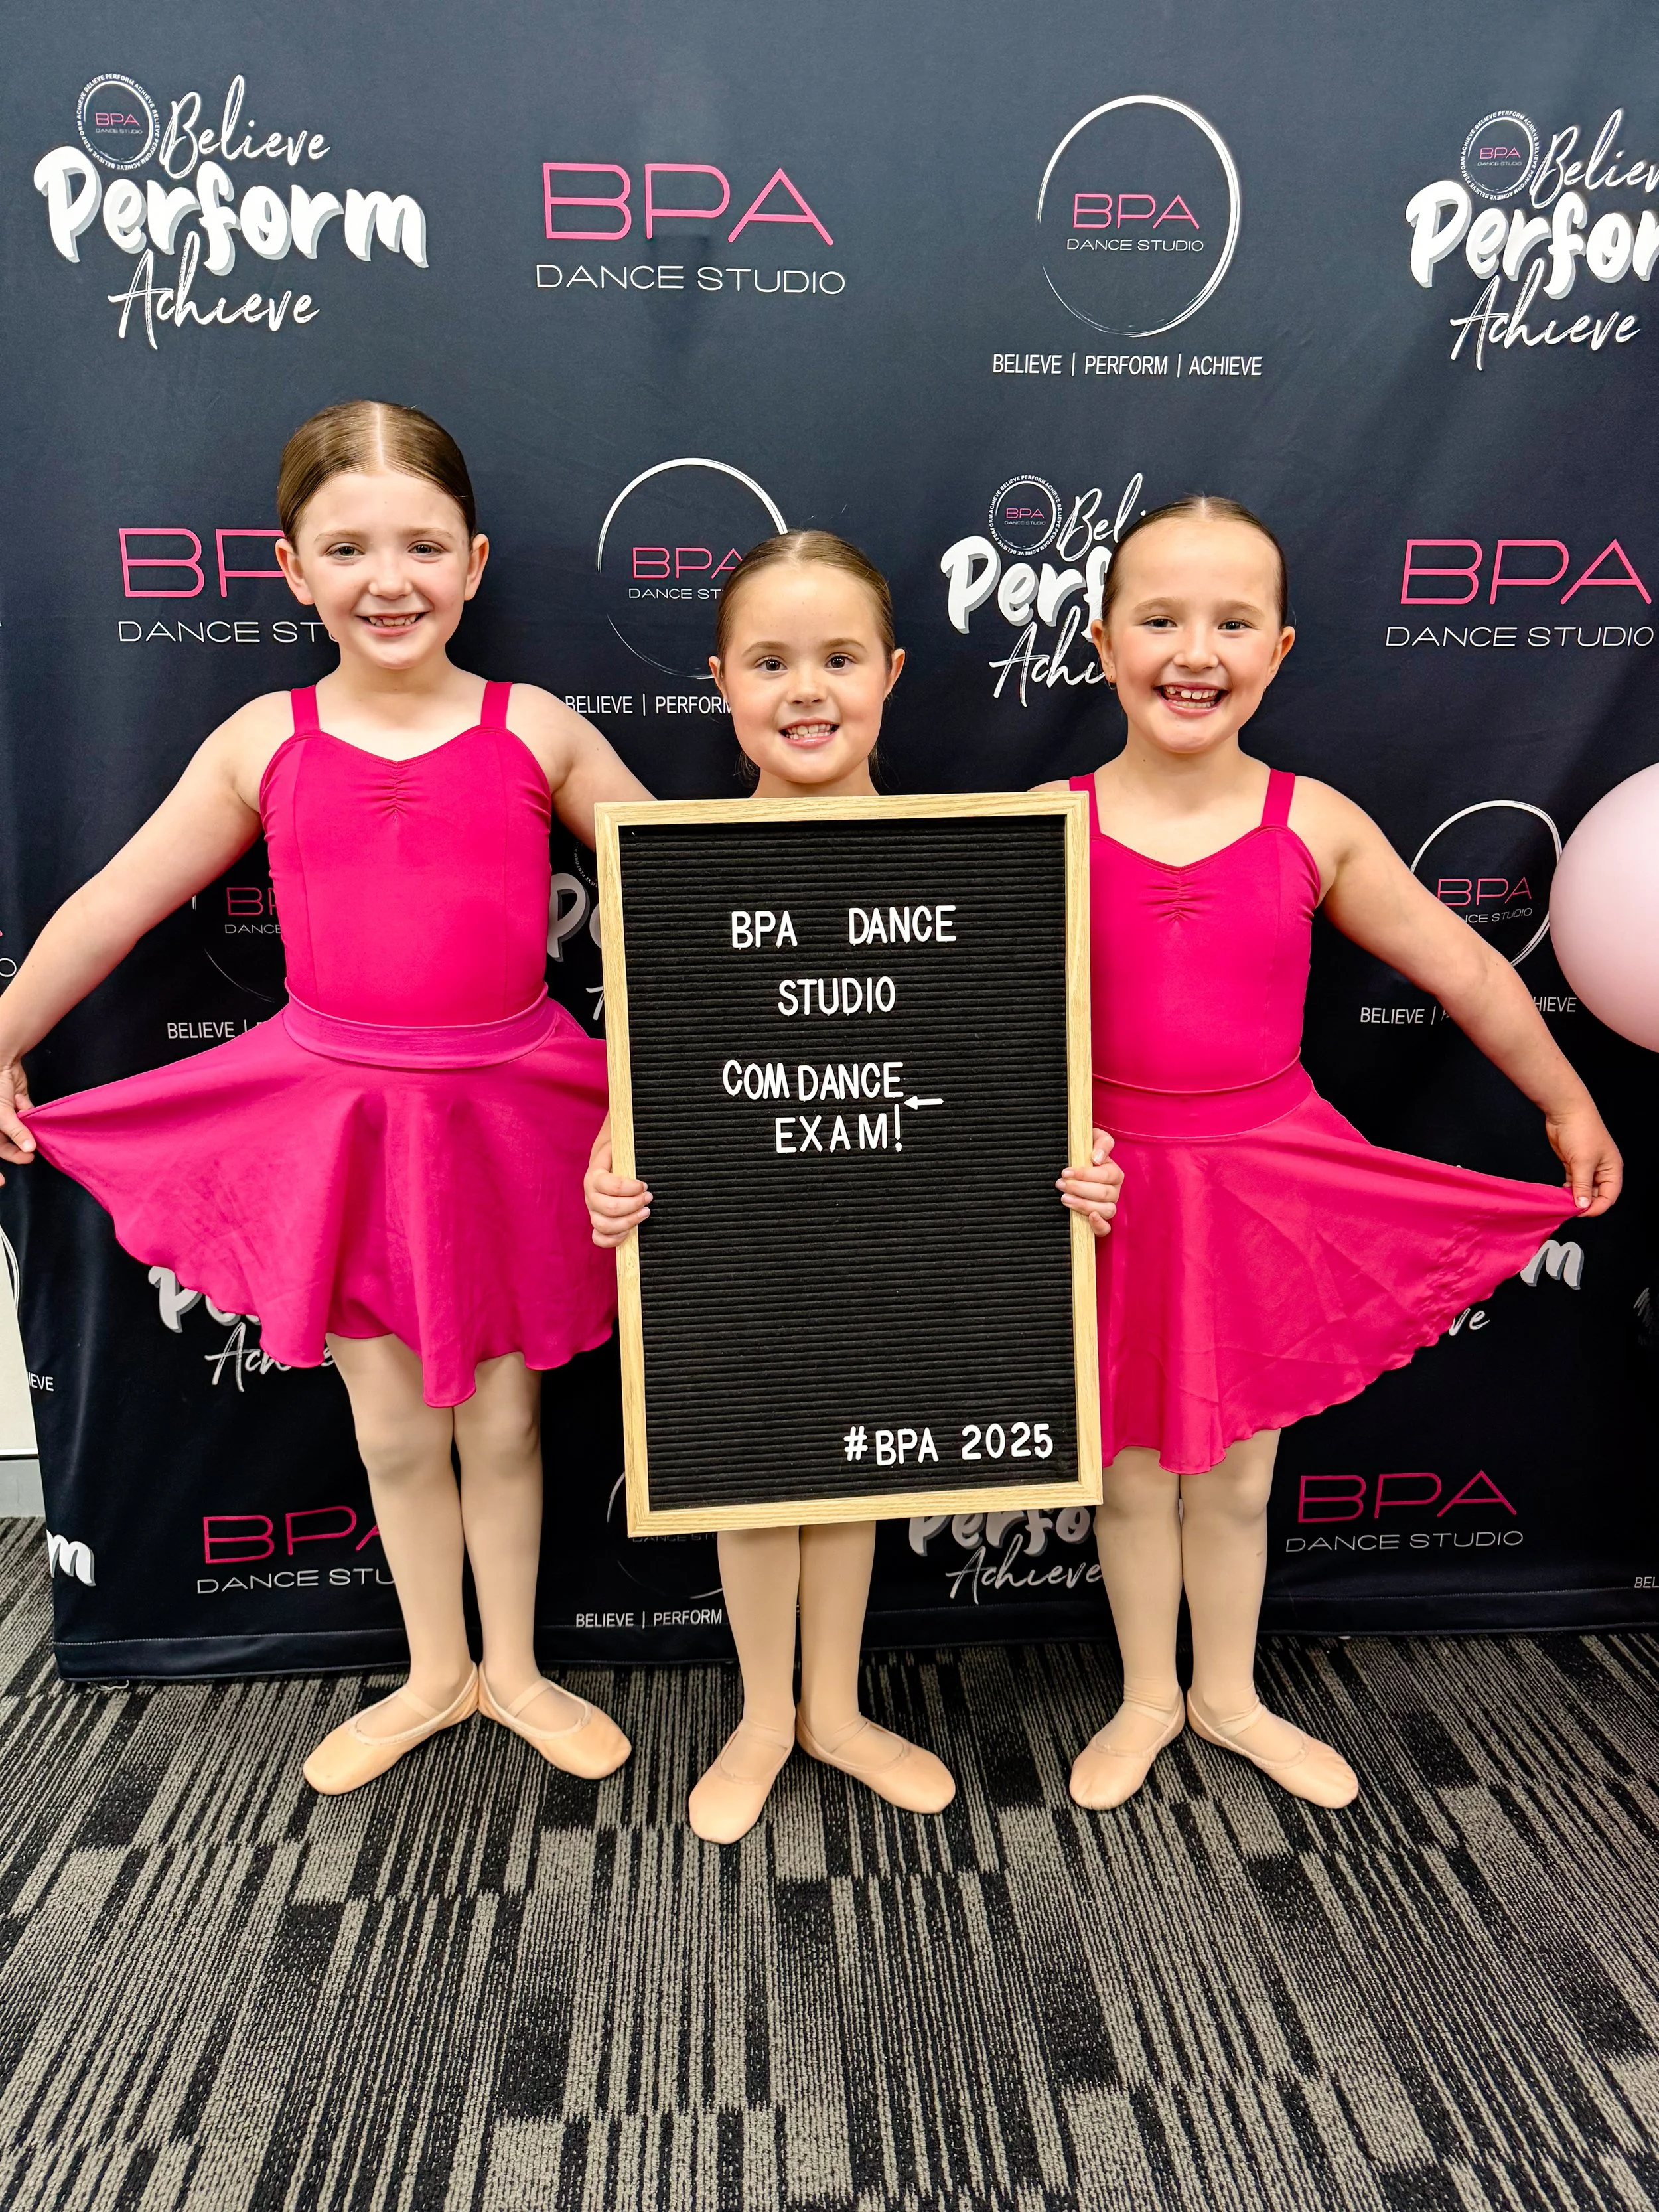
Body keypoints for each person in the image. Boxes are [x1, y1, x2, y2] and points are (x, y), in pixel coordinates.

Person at [0, 400, 652, 1793]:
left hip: (513, 1118)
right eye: (348, 549)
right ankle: (433, 1671)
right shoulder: (264, 738)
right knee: (394, 1427)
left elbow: (688, 896)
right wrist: (2, 1030)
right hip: (339, 1126)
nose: (389, 579)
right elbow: (116, 900)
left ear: (474, 563)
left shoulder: (534, 729)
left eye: (423, 545)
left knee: (506, 1418)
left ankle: (517, 1670)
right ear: (292, 571)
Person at [1038, 494, 1621, 1813]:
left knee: (1236, 1475)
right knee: (1126, 1472)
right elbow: (964, 1027)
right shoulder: (1039, 822)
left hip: (1261, 1183)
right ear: (1101, 641)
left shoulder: (1314, 822)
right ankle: (1146, 1693)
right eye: (1159, 620)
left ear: (1280, 650)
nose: (1195, 652)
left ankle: (1227, 1694)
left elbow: (1468, 970)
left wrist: (1568, 1104)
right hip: (1109, 1191)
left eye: (1232, 623)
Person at [585, 530, 1123, 1843]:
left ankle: (832, 1707)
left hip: (889, 1238)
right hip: (741, 1239)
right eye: (769, 662)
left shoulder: (972, 871)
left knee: (853, 1451)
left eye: (838, 658)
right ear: (721, 681)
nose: (805, 690)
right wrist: (611, 1164)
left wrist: (1072, 1165)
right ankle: (764, 1715)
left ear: (891, 673)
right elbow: (653, 1078)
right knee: (751, 1459)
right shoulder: (674, 876)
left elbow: (1005, 1081)